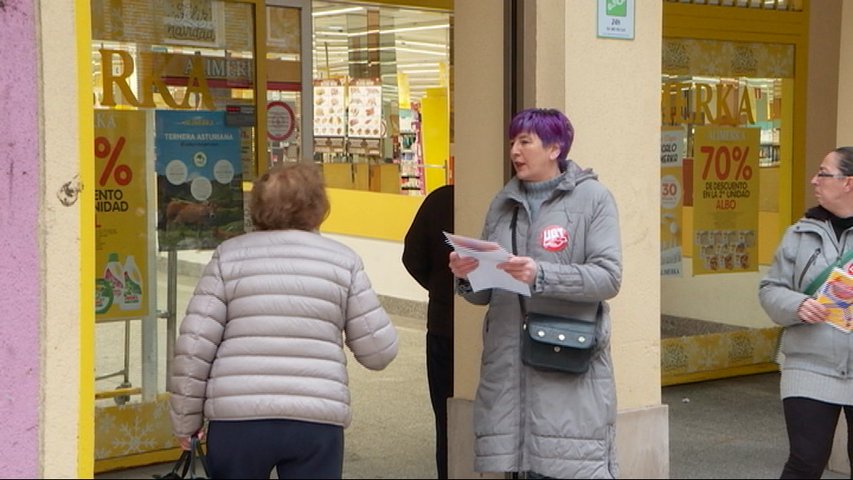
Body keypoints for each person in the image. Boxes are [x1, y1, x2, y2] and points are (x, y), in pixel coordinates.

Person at [167, 162, 399, 479]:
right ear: (318, 207)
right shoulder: (343, 261)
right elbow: (378, 352)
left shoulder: (228, 257)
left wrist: (186, 422)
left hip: (238, 421)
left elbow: (194, 348)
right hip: (316, 422)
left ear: (257, 208)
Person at [448, 108, 622, 478]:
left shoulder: (594, 200)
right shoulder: (503, 203)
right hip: (507, 375)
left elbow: (608, 277)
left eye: (525, 142)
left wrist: (540, 274)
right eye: (513, 142)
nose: (515, 151)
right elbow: (487, 296)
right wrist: (467, 276)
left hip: (566, 371)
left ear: (555, 148)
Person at [758, 146, 853, 479]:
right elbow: (769, 290)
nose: (814, 180)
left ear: (848, 183)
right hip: (809, 364)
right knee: (805, 461)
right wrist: (797, 305)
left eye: (823, 173)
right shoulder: (798, 234)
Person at [402, 183, 455, 479]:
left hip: (443, 326)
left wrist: (438, 288)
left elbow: (412, 257)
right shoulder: (508, 203)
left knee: (446, 421)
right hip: (496, 330)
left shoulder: (441, 199)